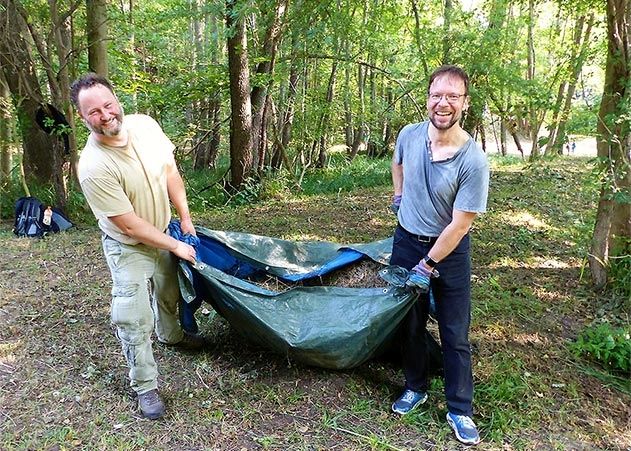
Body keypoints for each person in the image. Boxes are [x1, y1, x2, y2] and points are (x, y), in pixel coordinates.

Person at [70, 73, 208, 420]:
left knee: (168, 291)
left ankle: (172, 336)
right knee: (133, 315)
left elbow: (170, 172)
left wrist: (185, 218)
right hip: (128, 245)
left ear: (117, 100)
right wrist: (175, 245)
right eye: (93, 112)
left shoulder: (146, 126)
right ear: (82, 118)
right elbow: (128, 224)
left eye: (107, 105)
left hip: (165, 229)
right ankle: (145, 386)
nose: (104, 115)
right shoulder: (93, 166)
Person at [388, 65, 489, 446]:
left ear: (464, 102)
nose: (442, 103)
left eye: (452, 96)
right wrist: (398, 197)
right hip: (406, 241)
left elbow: (460, 225)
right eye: (436, 95)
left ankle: (460, 409)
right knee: (409, 324)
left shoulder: (473, 160)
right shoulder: (409, 135)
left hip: (448, 252)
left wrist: (427, 265)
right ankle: (415, 387)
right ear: (428, 97)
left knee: (454, 332)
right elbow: (396, 162)